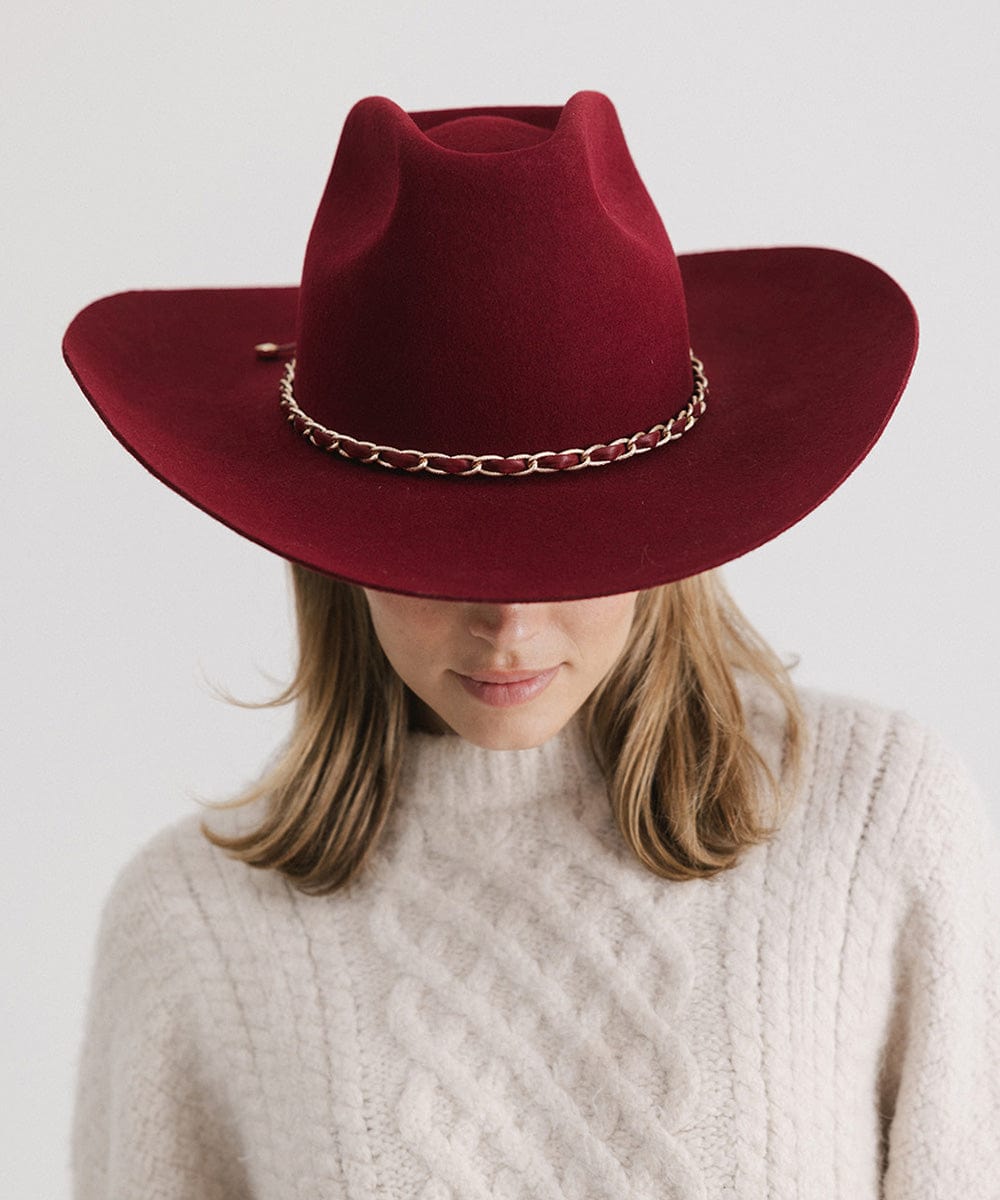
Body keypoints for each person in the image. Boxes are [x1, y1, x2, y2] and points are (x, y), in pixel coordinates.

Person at [63, 90, 1000, 1197]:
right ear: (330, 546)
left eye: (567, 553)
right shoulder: (192, 928)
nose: (506, 626)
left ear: (671, 531)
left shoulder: (873, 827)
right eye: (436, 561)